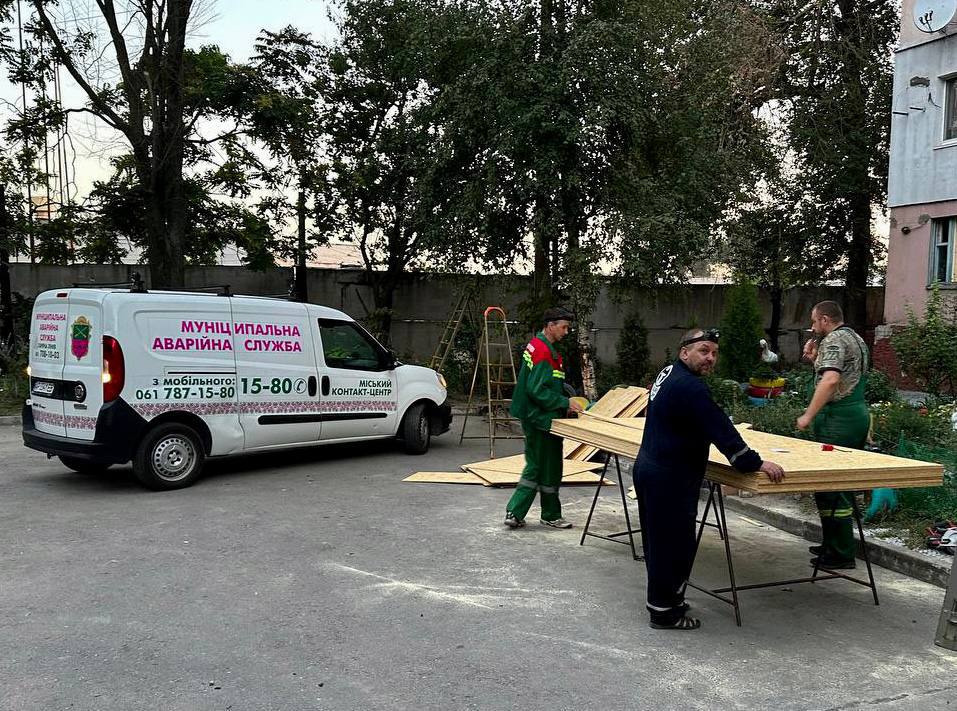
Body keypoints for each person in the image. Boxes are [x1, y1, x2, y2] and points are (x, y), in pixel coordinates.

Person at [633, 328, 785, 630]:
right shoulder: (691, 388)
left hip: (652, 467)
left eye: (714, 353)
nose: (710, 358)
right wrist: (753, 462)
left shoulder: (669, 373)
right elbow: (720, 429)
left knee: (659, 542)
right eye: (704, 351)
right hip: (670, 477)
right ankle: (664, 613)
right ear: (684, 352)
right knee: (674, 545)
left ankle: (667, 600)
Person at [796, 301, 870, 570]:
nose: (813, 326)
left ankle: (840, 552)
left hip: (838, 419)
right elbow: (843, 374)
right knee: (838, 484)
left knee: (832, 486)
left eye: (814, 321)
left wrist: (808, 415)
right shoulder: (855, 338)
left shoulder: (834, 340)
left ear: (825, 320)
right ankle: (832, 543)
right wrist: (814, 359)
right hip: (855, 414)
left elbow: (831, 381)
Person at [504, 307, 584, 530]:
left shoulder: (539, 345)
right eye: (564, 327)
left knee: (549, 465)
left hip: (540, 415)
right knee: (539, 465)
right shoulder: (543, 351)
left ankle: (548, 514)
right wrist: (565, 402)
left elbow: (544, 384)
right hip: (539, 417)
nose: (566, 332)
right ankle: (517, 511)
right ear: (550, 326)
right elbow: (537, 390)